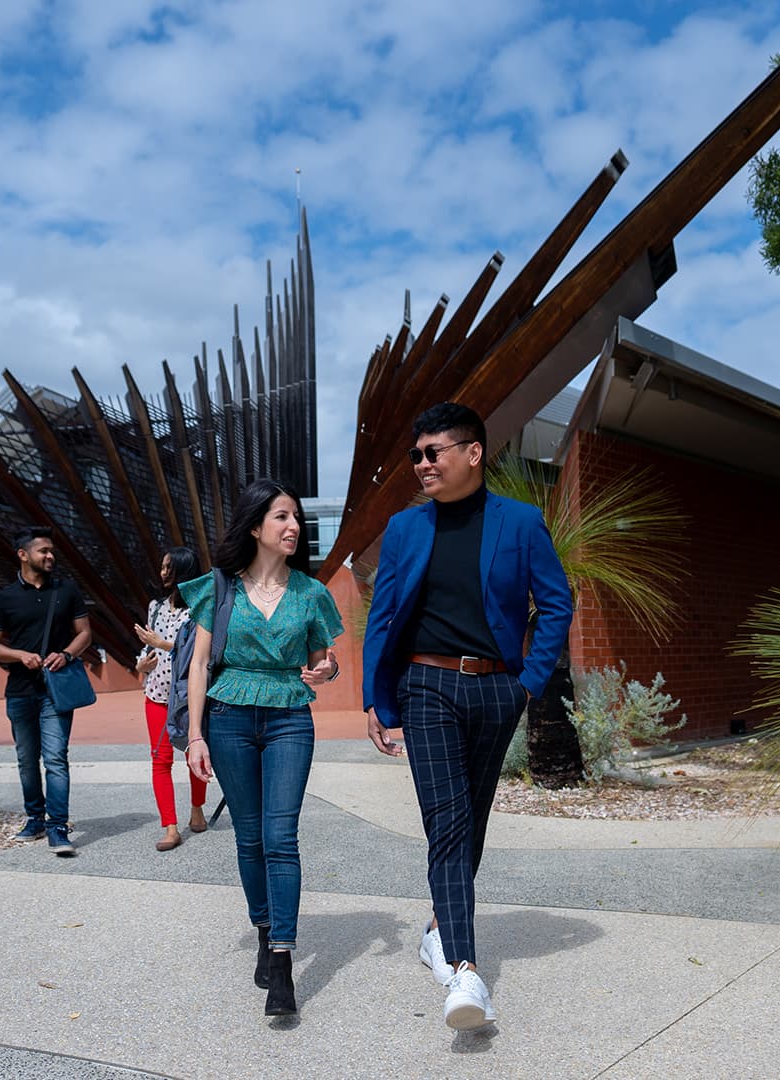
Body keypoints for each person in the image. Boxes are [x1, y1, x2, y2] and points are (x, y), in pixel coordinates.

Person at [361, 402, 573, 1030]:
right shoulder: (404, 527)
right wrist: (377, 696)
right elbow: (383, 614)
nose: (422, 464)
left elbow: (555, 604)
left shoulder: (521, 522)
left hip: (495, 689)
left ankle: (435, 928)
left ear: (473, 453)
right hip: (425, 683)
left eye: (434, 452)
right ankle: (464, 971)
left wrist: (529, 685)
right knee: (447, 820)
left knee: (472, 818)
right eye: (416, 456)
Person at [182, 478, 344, 1018]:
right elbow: (200, 664)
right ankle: (262, 928)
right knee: (249, 838)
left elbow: (325, 660)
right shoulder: (218, 587)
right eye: (281, 517)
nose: (293, 525)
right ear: (255, 527)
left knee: (281, 836)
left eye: (296, 517)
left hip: (290, 719)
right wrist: (196, 736)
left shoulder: (311, 592)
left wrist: (326, 669)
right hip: (228, 717)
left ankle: (282, 960)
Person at [0, 527, 93, 855]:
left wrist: (67, 654)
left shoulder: (66, 591)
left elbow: (84, 633)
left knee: (56, 758)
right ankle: (35, 819)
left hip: (55, 691)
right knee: (27, 760)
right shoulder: (4, 598)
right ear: (23, 554)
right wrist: (20, 655)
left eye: (51, 552)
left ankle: (58, 826)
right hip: (19, 690)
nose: (50, 556)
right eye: (43, 551)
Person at [134, 546, 209, 851]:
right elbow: (147, 650)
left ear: (183, 571)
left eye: (169, 568)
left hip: (188, 696)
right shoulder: (155, 607)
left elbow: (197, 654)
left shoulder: (201, 609)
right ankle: (170, 827)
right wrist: (141, 664)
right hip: (155, 694)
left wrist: (161, 643)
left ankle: (197, 809)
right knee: (160, 760)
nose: (163, 572)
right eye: (162, 567)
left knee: (195, 754)